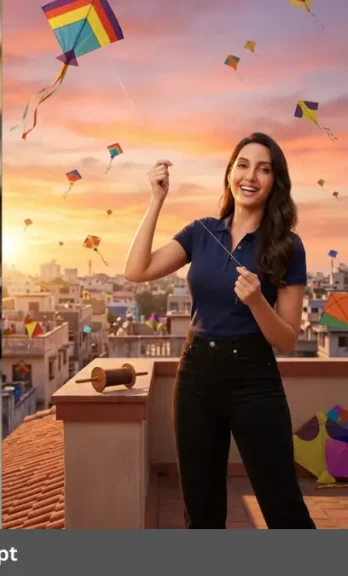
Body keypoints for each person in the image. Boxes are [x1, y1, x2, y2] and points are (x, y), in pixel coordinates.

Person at [122, 133, 314, 529]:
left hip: (254, 379)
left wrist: (258, 301)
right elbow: (136, 271)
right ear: (229, 173)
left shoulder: (287, 246)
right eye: (242, 164)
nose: (251, 175)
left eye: (264, 169)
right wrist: (156, 200)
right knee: (202, 511)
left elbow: (288, 339)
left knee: (283, 507)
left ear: (275, 181)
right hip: (195, 377)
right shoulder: (201, 232)